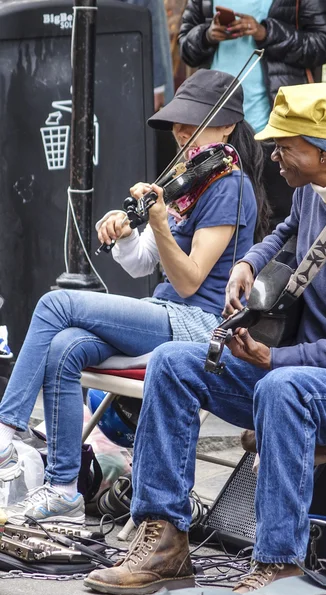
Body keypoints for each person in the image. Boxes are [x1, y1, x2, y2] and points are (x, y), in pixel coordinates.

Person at [84, 83, 326, 595]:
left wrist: (278, 356)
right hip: (303, 372)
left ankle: (278, 567)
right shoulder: (312, 189)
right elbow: (285, 229)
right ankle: (165, 543)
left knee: (282, 388)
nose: (272, 155)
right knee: (175, 361)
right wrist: (248, 262)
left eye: (286, 146)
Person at [0, 69, 267, 526]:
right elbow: (145, 262)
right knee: (64, 348)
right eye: (179, 123)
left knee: (55, 304)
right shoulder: (191, 183)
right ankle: (64, 489)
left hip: (196, 325)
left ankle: (5, 432)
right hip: (163, 312)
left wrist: (159, 222)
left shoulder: (230, 186)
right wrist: (124, 232)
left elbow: (189, 281)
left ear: (226, 127)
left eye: (195, 122)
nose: (182, 132)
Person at [178, 0, 326, 227]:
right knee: (218, 221)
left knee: (278, 222)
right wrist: (207, 35)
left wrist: (266, 32)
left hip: (274, 131)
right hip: (215, 132)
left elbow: (324, 44)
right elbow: (185, 47)